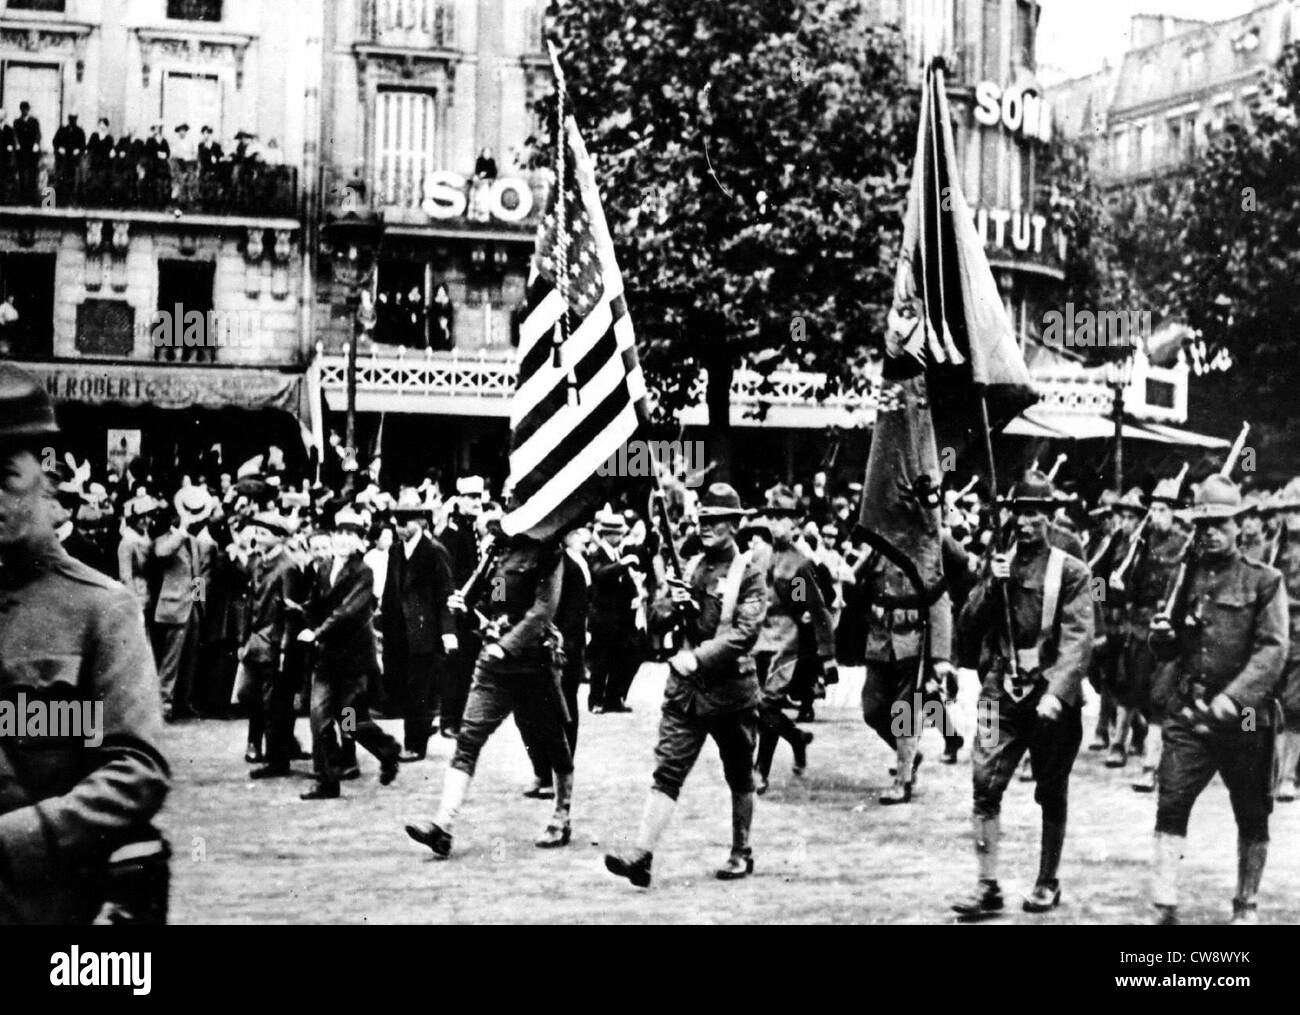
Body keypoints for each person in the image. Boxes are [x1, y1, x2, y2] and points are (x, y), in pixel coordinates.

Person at [0, 363, 170, 924]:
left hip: (47, 908)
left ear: (45, 480)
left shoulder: (101, 609)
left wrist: (18, 838)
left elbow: (135, 770)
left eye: (4, 476)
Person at [605, 483, 767, 887]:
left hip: (730, 692)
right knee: (667, 770)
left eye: (715, 520)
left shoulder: (748, 573)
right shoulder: (689, 564)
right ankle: (641, 855)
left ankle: (741, 850)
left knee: (740, 773)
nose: (705, 526)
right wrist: (670, 605)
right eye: (703, 518)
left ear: (734, 524)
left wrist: (698, 656)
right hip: (687, 694)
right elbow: (656, 620)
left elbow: (743, 634)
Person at [952, 471, 1094, 918]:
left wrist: (1059, 691)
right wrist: (991, 585)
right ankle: (987, 885)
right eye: (1019, 513)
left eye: (1034, 514)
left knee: (1051, 790)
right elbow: (968, 627)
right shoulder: (996, 562)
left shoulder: (1071, 571)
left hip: (1049, 693)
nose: (1025, 523)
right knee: (983, 784)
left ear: (1049, 517)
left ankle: (1047, 880)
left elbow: (1079, 637)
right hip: (1000, 692)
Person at [1147, 475, 1288, 925]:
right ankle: (1164, 902)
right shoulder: (1183, 577)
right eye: (1203, 523)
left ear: (1239, 525)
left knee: (1251, 809)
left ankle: (1246, 904)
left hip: (1245, 716)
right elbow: (1171, 647)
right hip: (1190, 710)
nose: (1210, 531)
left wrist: (1235, 699)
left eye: (1220, 523)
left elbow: (1273, 648)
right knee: (1171, 799)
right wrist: (1161, 638)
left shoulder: (1264, 580)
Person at [404, 529, 574, 857]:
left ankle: (561, 816)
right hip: (495, 665)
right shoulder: (499, 551)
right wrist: (467, 610)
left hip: (534, 663)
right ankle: (443, 825)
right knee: (468, 738)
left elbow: (542, 611)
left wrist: (508, 646)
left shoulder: (548, 554)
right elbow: (493, 602)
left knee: (553, 741)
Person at [296, 508, 401, 799]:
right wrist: (306, 619)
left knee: (348, 720)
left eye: (351, 534)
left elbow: (347, 611)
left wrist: (316, 633)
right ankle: (326, 780)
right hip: (327, 657)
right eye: (340, 532)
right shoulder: (324, 568)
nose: (343, 539)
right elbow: (313, 604)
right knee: (319, 718)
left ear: (359, 541)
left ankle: (387, 749)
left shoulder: (363, 572)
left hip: (353, 660)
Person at [751, 488, 831, 794]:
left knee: (767, 704)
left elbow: (813, 608)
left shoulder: (801, 564)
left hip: (787, 643)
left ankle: (762, 769)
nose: (775, 523)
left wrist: (826, 655)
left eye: (782, 517)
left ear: (796, 523)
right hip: (758, 639)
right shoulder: (758, 556)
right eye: (771, 516)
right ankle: (796, 738)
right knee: (760, 707)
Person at [1117, 474, 1189, 794]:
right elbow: (1130, 583)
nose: (1156, 516)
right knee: (1139, 687)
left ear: (1174, 513)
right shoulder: (1143, 543)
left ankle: (1151, 766)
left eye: (1162, 510)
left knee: (1161, 695)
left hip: (1171, 628)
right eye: (1154, 510)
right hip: (1142, 623)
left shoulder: (1186, 542)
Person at [381, 500, 456, 761]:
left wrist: (448, 631)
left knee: (418, 688)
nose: (402, 528)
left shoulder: (435, 551)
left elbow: (446, 592)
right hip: (399, 630)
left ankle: (415, 744)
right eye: (398, 523)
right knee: (403, 684)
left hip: (425, 630)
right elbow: (392, 590)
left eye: (407, 522)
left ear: (422, 522)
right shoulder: (395, 551)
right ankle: (422, 727)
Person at [237, 512, 301, 781]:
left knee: (274, 702)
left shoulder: (288, 567)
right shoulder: (256, 562)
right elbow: (248, 602)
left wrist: (285, 649)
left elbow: (291, 612)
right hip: (255, 640)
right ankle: (263, 745)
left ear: (280, 537)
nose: (258, 537)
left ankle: (279, 756)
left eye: (264, 533)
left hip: (274, 642)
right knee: (252, 696)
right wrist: (242, 640)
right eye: (257, 532)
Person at [151, 486, 215, 721]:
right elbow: (161, 554)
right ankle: (164, 704)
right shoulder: (165, 539)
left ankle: (183, 702)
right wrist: (181, 529)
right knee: (170, 661)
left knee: (189, 661)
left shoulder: (195, 542)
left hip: (192, 609)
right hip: (174, 607)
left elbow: (198, 574)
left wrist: (200, 604)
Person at [436, 476, 486, 736]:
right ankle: (449, 720)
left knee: (467, 666)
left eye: (479, 497)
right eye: (471, 497)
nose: (477, 501)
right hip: (456, 610)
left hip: (471, 612)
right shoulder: (452, 534)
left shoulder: (473, 531)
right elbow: (447, 576)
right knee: (455, 668)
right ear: (459, 501)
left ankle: (459, 717)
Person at [586, 508, 644, 713]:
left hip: (621, 616)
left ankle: (613, 697)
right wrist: (622, 564)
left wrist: (635, 594)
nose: (620, 538)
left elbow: (625, 581)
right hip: (603, 616)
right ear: (607, 534)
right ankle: (596, 700)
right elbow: (599, 575)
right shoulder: (597, 554)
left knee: (623, 658)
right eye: (617, 534)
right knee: (601, 661)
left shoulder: (618, 553)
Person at [52, 113, 85, 202]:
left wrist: (78, 150)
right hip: (63, 158)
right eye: (71, 119)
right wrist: (59, 148)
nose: (72, 121)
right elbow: (55, 141)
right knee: (61, 177)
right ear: (68, 119)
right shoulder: (62, 130)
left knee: (73, 178)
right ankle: (61, 198)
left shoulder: (79, 131)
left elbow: (83, 145)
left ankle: (72, 198)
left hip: (74, 159)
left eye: (74, 119)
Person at [13, 102, 40, 205]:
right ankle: (22, 199)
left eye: (26, 109)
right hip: (21, 152)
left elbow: (38, 134)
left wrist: (36, 144)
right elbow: (15, 134)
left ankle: (32, 199)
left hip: (32, 152)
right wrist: (17, 144)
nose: (24, 111)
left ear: (28, 109)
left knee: (32, 174)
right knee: (22, 174)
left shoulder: (34, 121)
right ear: (20, 110)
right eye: (23, 109)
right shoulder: (17, 122)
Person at [85, 117, 114, 205]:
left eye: (104, 125)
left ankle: (102, 201)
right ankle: (93, 201)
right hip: (94, 162)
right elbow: (89, 147)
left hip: (104, 163)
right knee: (93, 181)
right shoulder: (94, 136)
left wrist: (112, 151)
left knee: (103, 181)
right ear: (98, 126)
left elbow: (111, 150)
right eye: (100, 125)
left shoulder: (109, 138)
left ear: (107, 126)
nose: (102, 127)